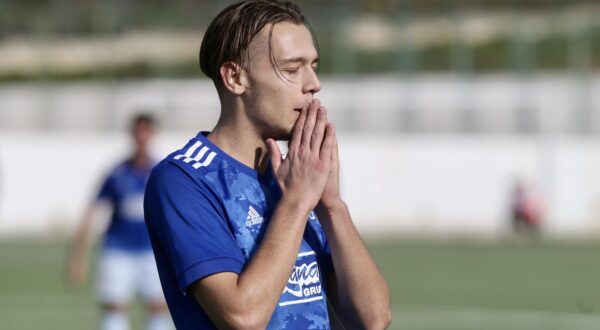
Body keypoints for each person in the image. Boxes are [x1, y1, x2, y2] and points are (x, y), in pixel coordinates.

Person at [144, 1, 392, 329]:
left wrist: (332, 206)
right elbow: (243, 317)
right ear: (235, 77)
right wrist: (297, 202)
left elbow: (373, 319)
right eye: (292, 69)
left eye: (314, 66)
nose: (313, 83)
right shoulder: (183, 180)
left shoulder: (295, 176)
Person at [67, 114, 172, 330]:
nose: (142, 137)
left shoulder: (161, 172)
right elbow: (92, 211)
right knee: (114, 307)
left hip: (150, 251)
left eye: (146, 132)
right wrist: (78, 256)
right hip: (117, 250)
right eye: (138, 132)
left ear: (152, 135)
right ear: (132, 135)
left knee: (157, 307)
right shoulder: (116, 173)